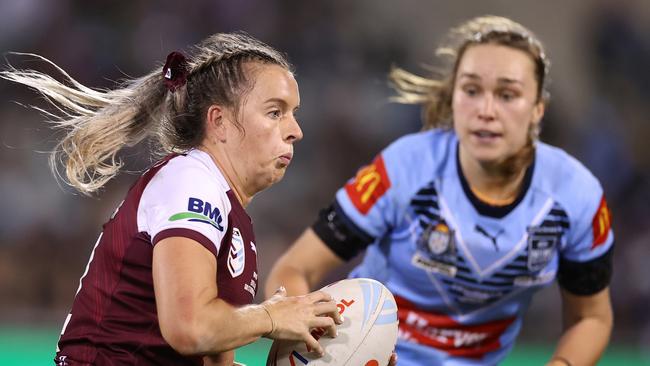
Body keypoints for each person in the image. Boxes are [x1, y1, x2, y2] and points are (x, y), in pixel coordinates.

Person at [265, 15, 614, 366]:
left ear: (538, 109)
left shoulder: (576, 197)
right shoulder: (405, 168)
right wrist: (310, 338)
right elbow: (294, 268)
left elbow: (592, 318)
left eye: (508, 94)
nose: (486, 110)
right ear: (453, 98)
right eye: (471, 90)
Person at [1, 32, 343, 366]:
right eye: (275, 112)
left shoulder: (231, 216)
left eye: (293, 112)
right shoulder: (191, 181)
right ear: (219, 122)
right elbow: (189, 327)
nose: (295, 130)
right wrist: (270, 315)